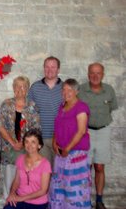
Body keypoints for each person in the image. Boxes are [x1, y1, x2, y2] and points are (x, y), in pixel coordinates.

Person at [77, 63, 118, 209]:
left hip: (103, 131)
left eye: (98, 73)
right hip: (85, 132)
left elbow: (111, 109)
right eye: (92, 73)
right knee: (85, 167)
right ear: (88, 74)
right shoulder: (80, 90)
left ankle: (99, 200)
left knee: (99, 166)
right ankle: (84, 198)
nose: (95, 76)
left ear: (103, 75)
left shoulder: (109, 90)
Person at [0, 76, 41, 200]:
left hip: (27, 150)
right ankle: (7, 204)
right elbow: (0, 125)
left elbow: (35, 128)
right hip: (9, 149)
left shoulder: (32, 106)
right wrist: (12, 142)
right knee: (9, 182)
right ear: (13, 88)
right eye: (17, 86)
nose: (20, 89)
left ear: (27, 89)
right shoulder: (6, 104)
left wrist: (23, 144)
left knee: (25, 181)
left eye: (23, 86)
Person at [49, 79, 91, 209]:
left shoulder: (81, 107)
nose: (66, 92)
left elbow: (81, 131)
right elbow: (58, 127)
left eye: (70, 90)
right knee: (60, 187)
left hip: (75, 155)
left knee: (74, 189)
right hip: (61, 155)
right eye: (64, 89)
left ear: (77, 91)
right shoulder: (62, 106)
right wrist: (54, 143)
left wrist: (67, 148)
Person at [27, 56, 64, 169]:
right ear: (44, 68)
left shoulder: (65, 88)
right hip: (41, 138)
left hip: (60, 137)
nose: (49, 70)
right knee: (44, 172)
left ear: (58, 69)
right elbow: (29, 111)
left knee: (59, 172)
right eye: (47, 67)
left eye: (53, 67)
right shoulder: (35, 87)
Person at [4, 129, 51, 209]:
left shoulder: (45, 164)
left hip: (37, 202)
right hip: (20, 198)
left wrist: (21, 198)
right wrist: (11, 195)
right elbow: (16, 181)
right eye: (27, 141)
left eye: (33, 142)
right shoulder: (20, 158)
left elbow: (43, 191)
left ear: (39, 145)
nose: (29, 145)